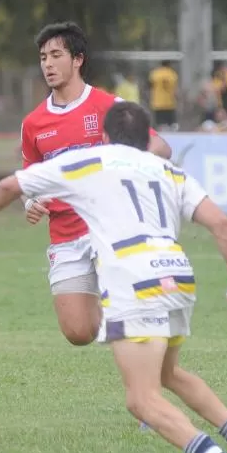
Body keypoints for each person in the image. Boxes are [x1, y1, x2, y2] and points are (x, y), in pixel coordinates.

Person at [0, 101, 227, 453]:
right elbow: (221, 224)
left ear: (105, 136)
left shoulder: (92, 161)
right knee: (168, 373)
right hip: (178, 276)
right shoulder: (167, 170)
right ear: (148, 139)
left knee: (140, 400)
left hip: (135, 280)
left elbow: (12, 184)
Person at [21, 21, 172, 348]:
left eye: (56, 55)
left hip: (112, 230)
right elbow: (30, 178)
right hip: (65, 234)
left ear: (78, 59)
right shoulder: (34, 123)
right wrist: (30, 203)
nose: (47, 63)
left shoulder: (108, 106)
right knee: (78, 332)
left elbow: (160, 148)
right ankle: (120, 313)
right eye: (43, 56)